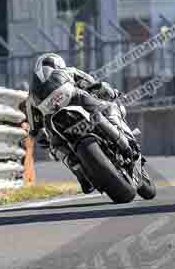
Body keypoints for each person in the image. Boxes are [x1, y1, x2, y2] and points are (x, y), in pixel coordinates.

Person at [24, 53, 134, 194]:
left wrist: (41, 137)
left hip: (53, 121)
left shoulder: (31, 97)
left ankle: (82, 177)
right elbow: (94, 83)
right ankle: (121, 138)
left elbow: (34, 128)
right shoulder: (67, 71)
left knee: (57, 147)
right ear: (57, 64)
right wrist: (111, 92)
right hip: (77, 99)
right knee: (108, 107)